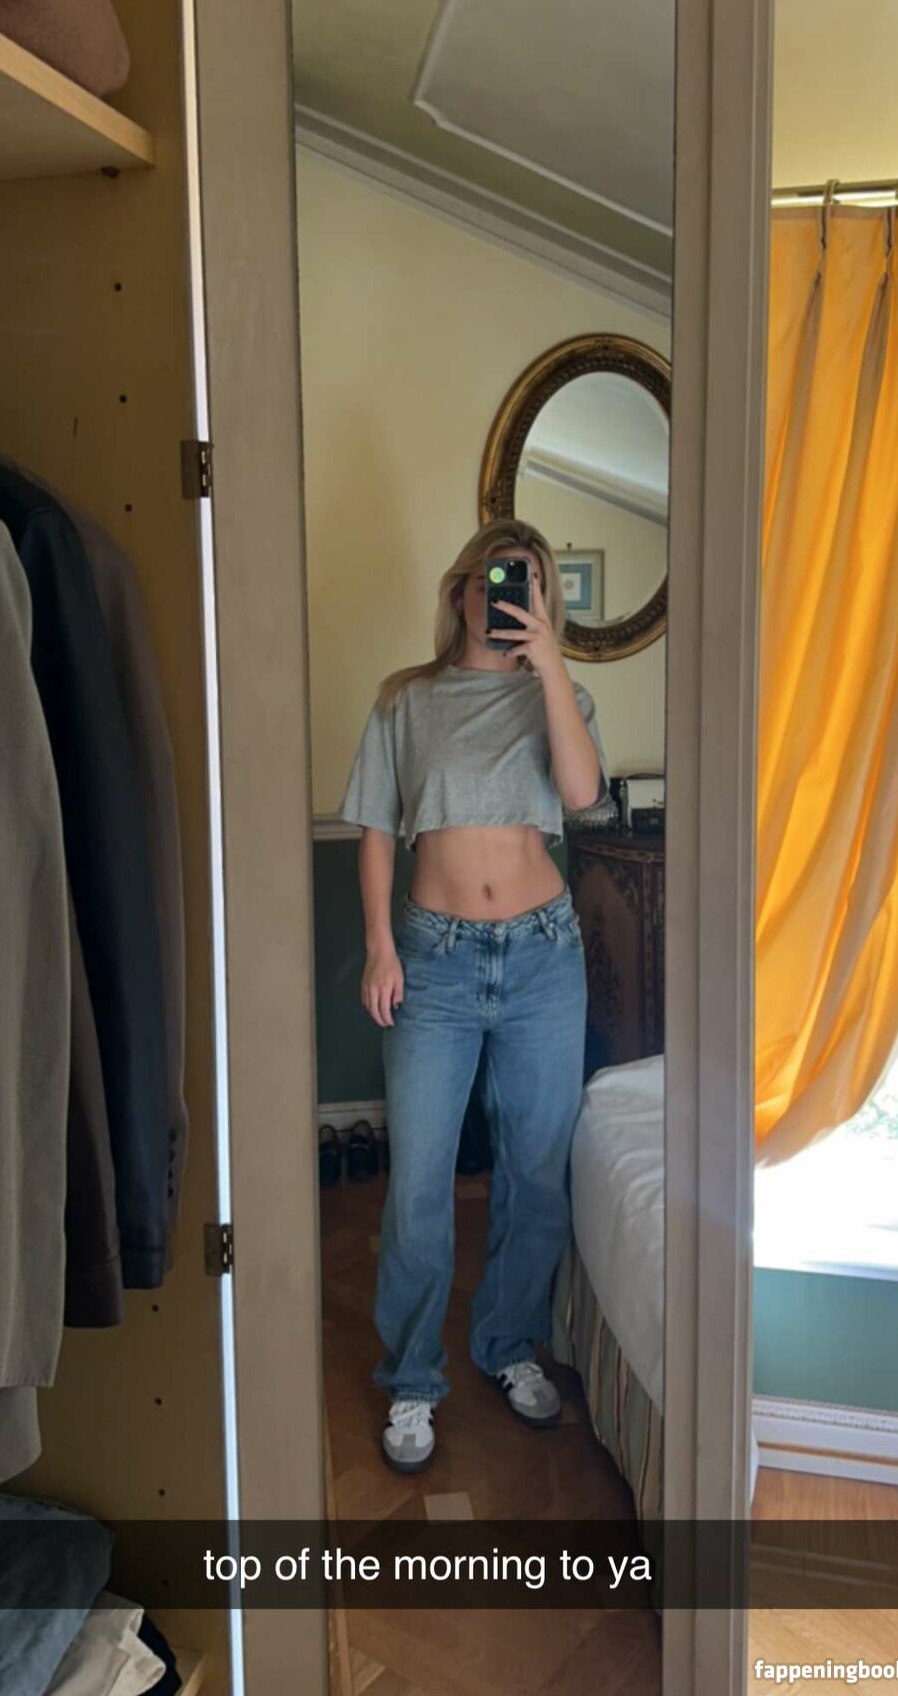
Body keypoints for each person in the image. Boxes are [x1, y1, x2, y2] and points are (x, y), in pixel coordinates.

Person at [338, 519, 611, 1473]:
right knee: (419, 1178)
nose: (506, 599)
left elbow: (580, 795)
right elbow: (375, 828)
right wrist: (380, 947)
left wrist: (550, 664)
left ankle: (507, 1343)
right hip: (436, 960)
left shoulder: (557, 695)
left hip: (542, 956)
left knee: (535, 1170)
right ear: (462, 590)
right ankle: (413, 1376)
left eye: (528, 584)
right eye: (496, 580)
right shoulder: (406, 701)